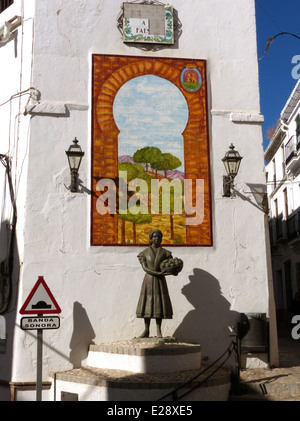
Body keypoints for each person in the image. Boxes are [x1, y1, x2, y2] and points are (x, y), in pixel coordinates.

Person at [136, 229, 173, 338]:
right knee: (147, 304)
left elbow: (169, 267)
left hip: (160, 281)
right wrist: (157, 273)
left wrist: (172, 271)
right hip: (149, 280)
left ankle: (158, 330)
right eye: (155, 237)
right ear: (151, 238)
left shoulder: (166, 253)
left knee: (159, 305)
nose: (157, 239)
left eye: (159, 237)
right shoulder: (144, 253)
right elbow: (145, 268)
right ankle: (146, 329)